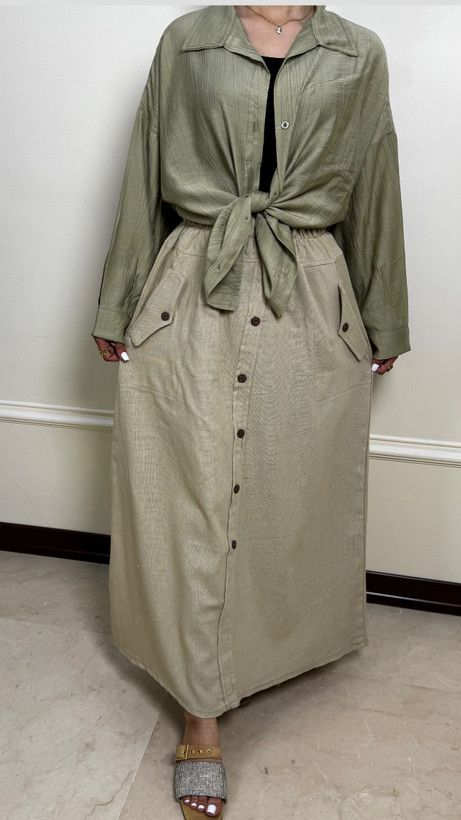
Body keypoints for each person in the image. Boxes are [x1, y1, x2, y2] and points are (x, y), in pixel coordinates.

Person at [92, 6, 410, 818]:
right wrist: (117, 301)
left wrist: (383, 315)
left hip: (309, 290)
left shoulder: (358, 52)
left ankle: (266, 650)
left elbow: (374, 179)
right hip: (193, 282)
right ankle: (200, 711)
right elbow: (144, 167)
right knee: (191, 498)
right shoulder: (187, 39)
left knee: (283, 488)